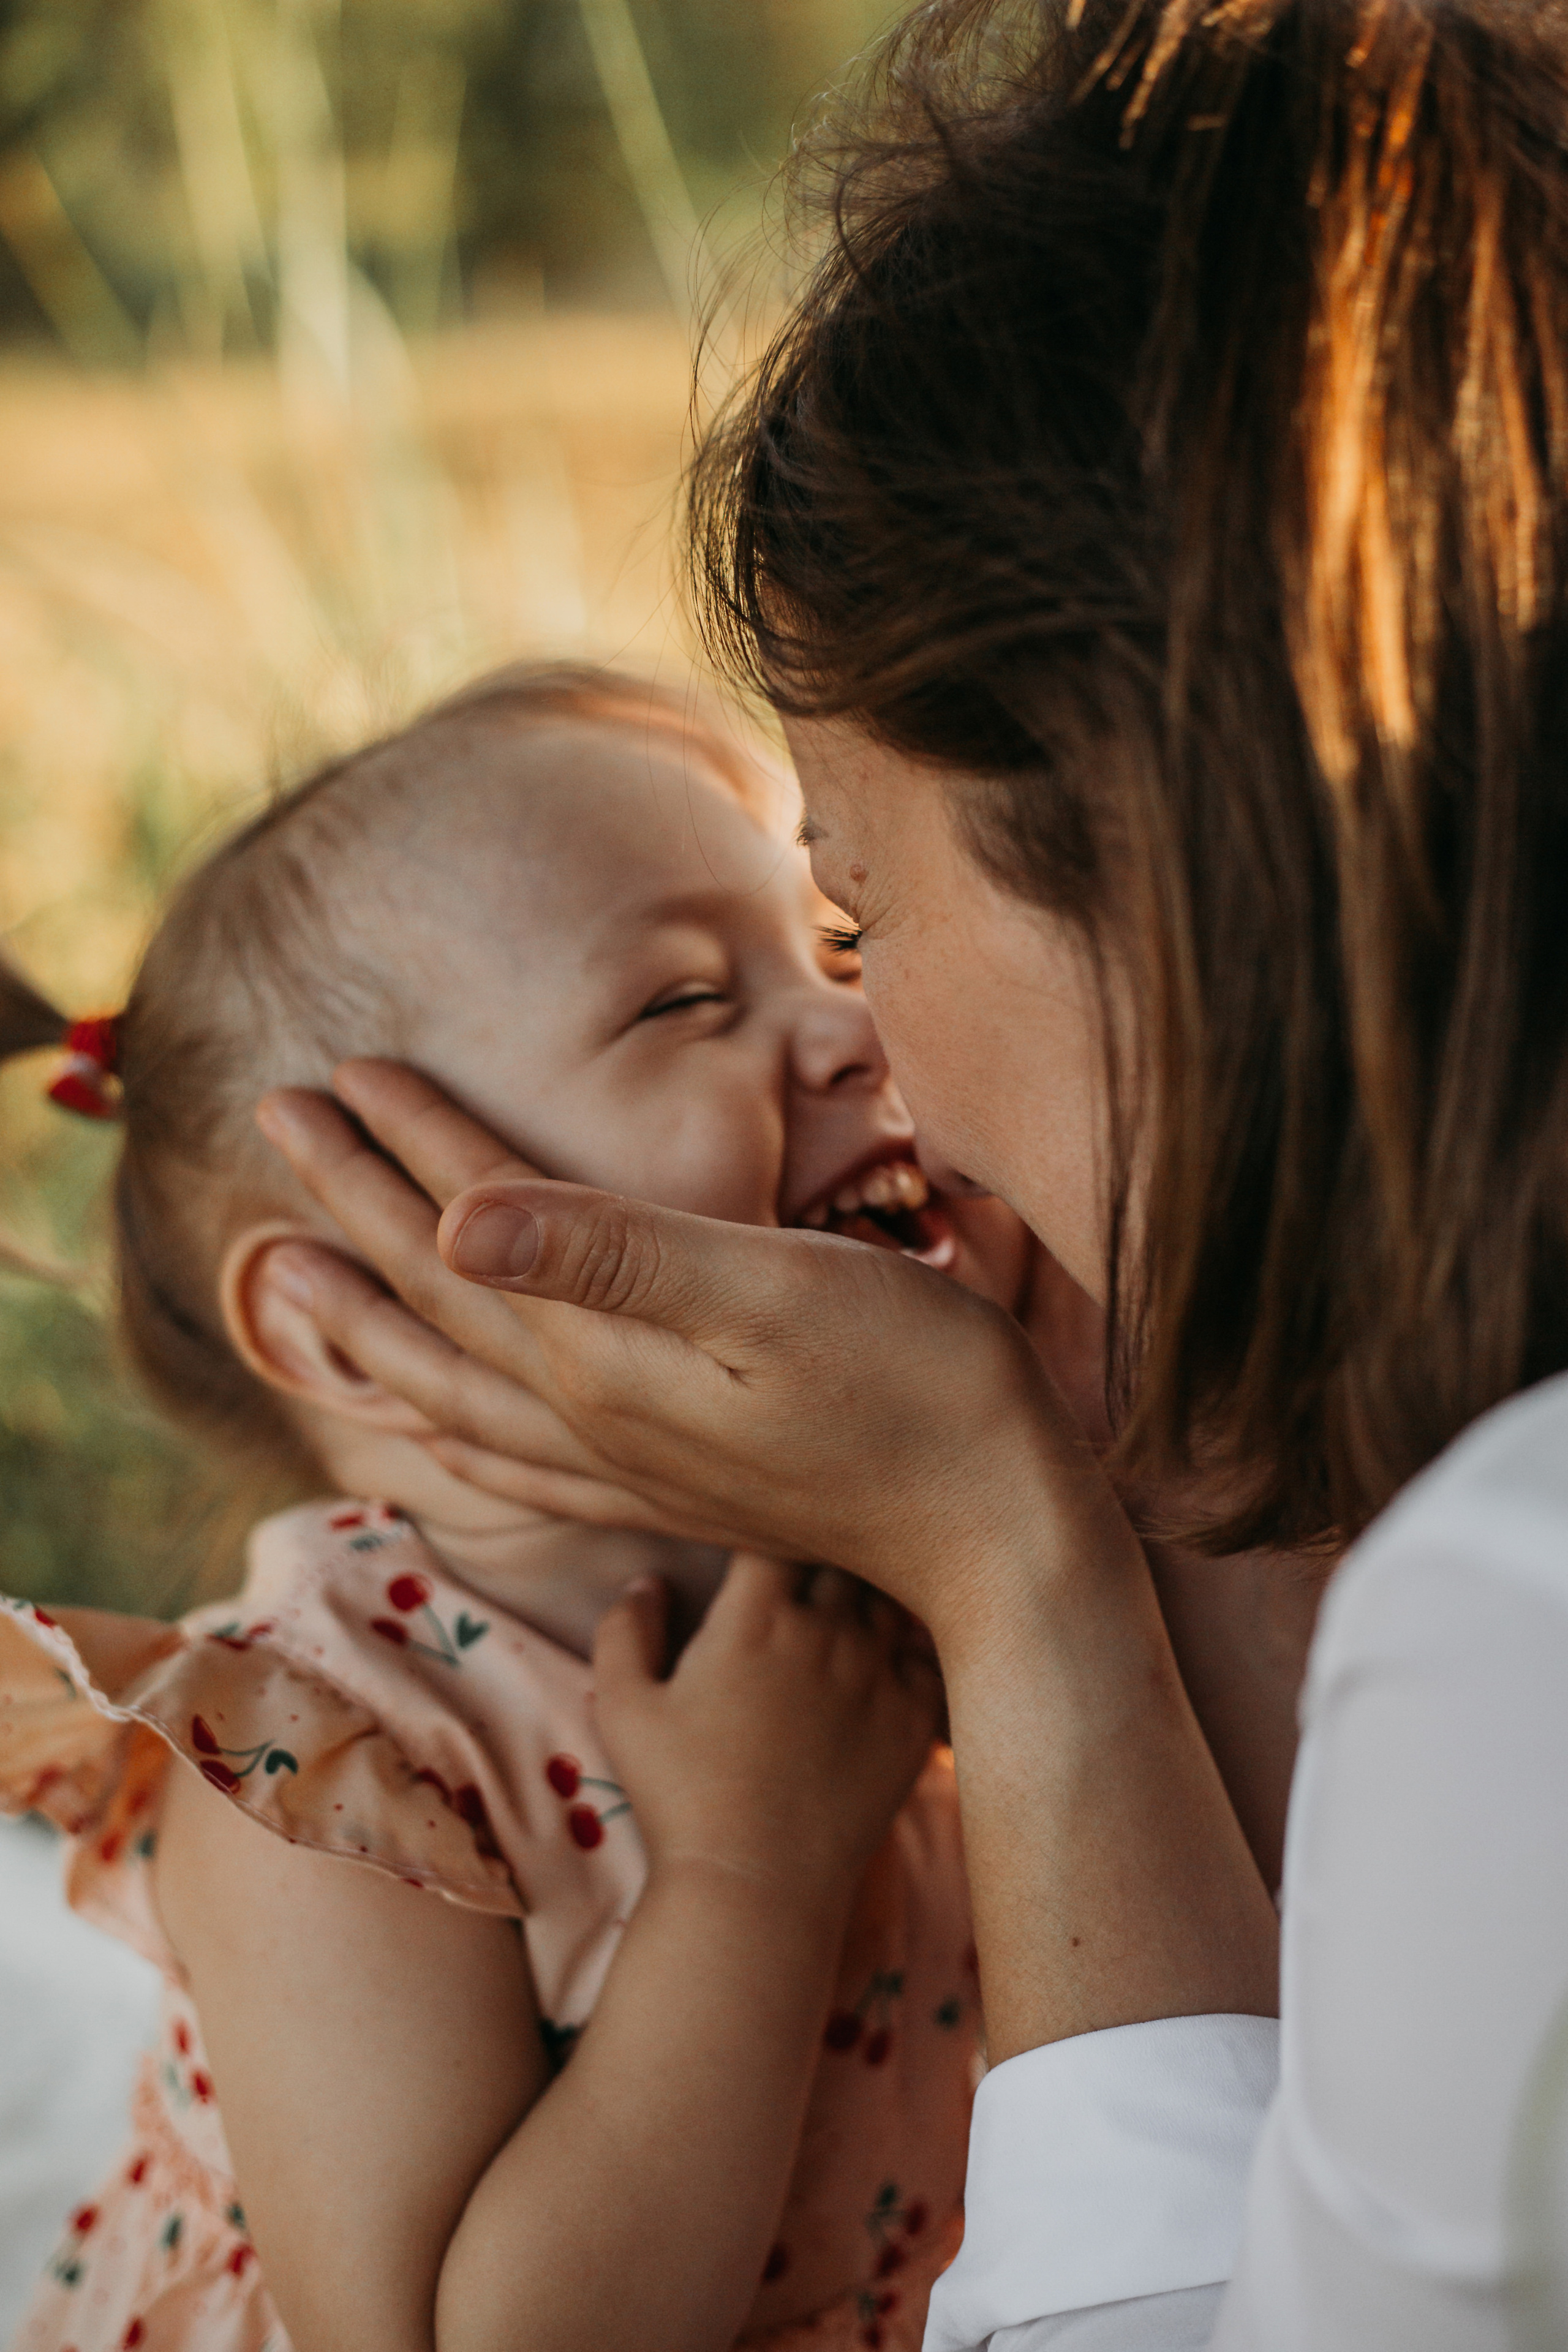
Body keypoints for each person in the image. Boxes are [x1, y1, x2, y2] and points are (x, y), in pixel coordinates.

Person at [252, 2, 1568, 2345]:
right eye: (714, 983)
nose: (859, 1036)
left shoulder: (1507, 1613)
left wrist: (1016, 1552)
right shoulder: (347, 1756)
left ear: (1157, 851)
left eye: (851, 908)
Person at [0, 663, 1014, 2352]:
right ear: (346, 1320)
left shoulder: (904, 1555)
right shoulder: (329, 1760)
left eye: (836, 944)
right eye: (687, 1004)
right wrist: (748, 1874)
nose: (860, 1028)